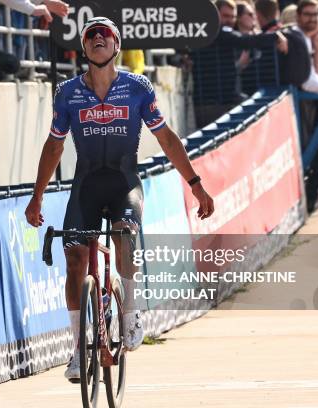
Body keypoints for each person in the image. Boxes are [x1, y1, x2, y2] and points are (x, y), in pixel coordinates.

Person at [24, 16, 215, 383]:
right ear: (83, 48)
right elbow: (54, 146)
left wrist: (195, 183)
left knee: (124, 233)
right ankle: (79, 351)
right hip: (87, 184)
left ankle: (130, 311)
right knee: (75, 259)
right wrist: (37, 196)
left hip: (124, 181)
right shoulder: (67, 93)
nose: (97, 39)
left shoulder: (137, 88)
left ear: (116, 46)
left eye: (104, 35)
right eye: (90, 36)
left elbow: (167, 139)